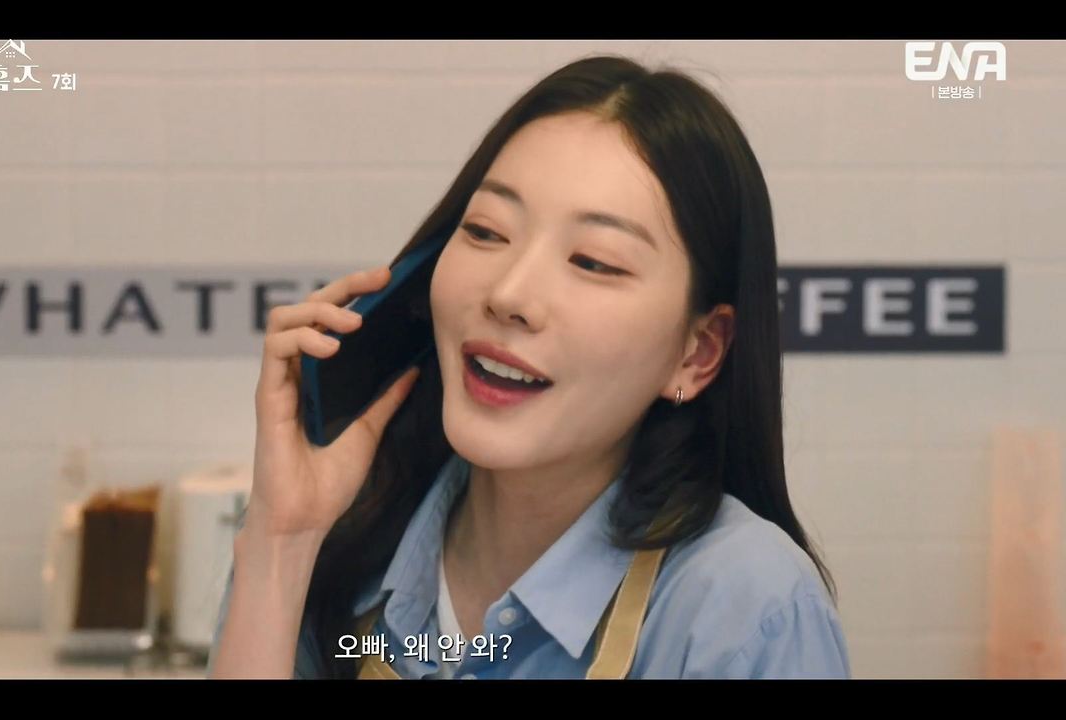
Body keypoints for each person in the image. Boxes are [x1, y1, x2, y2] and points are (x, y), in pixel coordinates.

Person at [208, 54, 850, 680]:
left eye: (594, 262)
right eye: (487, 231)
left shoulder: (745, 610)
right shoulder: (332, 546)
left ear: (698, 352)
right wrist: (282, 541)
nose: (509, 294)